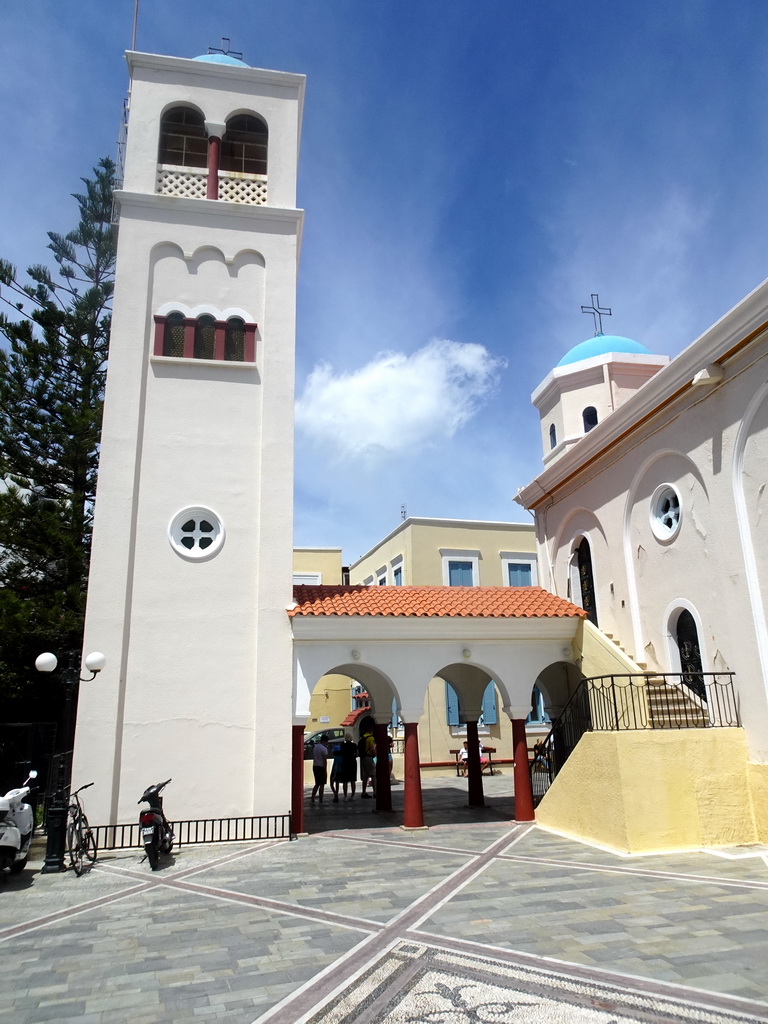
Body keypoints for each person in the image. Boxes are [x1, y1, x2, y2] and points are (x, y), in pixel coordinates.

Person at [311, 734, 329, 804]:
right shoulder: (324, 749)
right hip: (321, 767)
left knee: (317, 783)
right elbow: (325, 760)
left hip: (315, 766)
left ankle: (312, 798)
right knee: (322, 785)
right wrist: (325, 770)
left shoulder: (315, 747)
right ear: (325, 741)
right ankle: (321, 800)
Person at [358, 727, 376, 798]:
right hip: (368, 757)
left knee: (365, 776)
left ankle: (364, 792)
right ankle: (375, 792)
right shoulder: (370, 738)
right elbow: (372, 748)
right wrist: (374, 754)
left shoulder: (362, 738)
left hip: (363, 757)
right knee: (373, 775)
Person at [339, 733, 358, 800]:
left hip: (345, 762)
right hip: (352, 762)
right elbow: (357, 754)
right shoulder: (354, 745)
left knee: (345, 780)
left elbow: (341, 753)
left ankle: (345, 796)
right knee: (353, 779)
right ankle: (352, 795)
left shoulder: (342, 745)